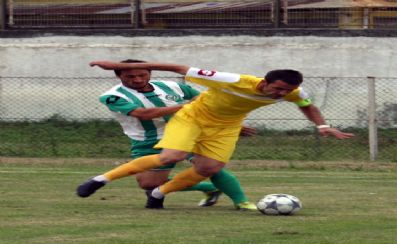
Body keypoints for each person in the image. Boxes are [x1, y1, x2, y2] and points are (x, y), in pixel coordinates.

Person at [77, 61, 354, 210]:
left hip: (222, 126)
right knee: (164, 164)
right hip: (176, 125)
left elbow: (307, 106)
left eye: (286, 92)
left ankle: (171, 195)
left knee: (210, 167)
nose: (281, 95)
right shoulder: (231, 79)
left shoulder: (294, 92)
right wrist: (111, 62)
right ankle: (101, 180)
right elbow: (151, 104)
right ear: (265, 82)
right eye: (277, 90)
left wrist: (322, 126)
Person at [78, 59, 256, 210]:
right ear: (119, 76)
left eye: (142, 75)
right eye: (130, 77)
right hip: (147, 139)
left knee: (209, 166)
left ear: (150, 73)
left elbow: (206, 101)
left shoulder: (171, 86)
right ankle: (209, 188)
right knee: (148, 184)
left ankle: (242, 202)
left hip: (188, 132)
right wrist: (188, 107)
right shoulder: (112, 96)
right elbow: (143, 114)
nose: (137, 79)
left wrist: (232, 125)